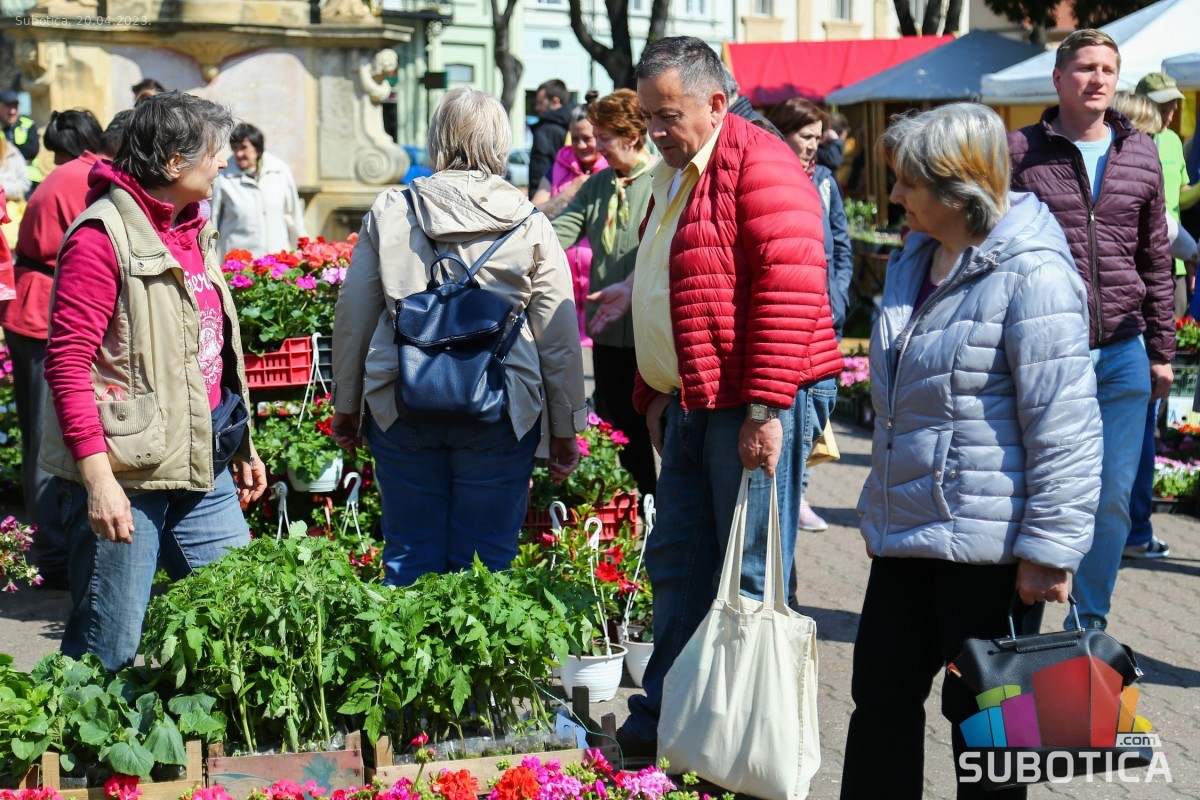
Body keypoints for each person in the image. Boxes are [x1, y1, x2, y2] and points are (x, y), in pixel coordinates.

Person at [841, 103, 1102, 800]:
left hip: (994, 554)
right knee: (880, 703)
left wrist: (1050, 550)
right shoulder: (914, 260)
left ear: (958, 190)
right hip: (908, 537)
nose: (896, 195)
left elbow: (1065, 426)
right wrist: (881, 507)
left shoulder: (1034, 275)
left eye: (908, 182)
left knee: (991, 737)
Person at [614, 36, 842, 760]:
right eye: (648, 116)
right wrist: (653, 389)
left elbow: (790, 289)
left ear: (716, 103)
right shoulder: (678, 170)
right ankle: (669, 718)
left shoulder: (762, 164)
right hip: (694, 397)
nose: (655, 130)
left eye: (667, 115)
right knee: (678, 561)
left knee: (748, 572)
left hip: (752, 400)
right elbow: (665, 283)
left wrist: (765, 410)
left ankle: (743, 740)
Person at [41, 92, 267, 672]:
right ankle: (80, 734)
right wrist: (99, 482)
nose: (224, 162)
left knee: (243, 618)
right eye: (214, 152)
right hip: (129, 472)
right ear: (172, 163)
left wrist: (241, 444)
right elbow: (68, 365)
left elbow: (208, 349)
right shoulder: (101, 236)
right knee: (108, 648)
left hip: (202, 460)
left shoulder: (193, 227)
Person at [330, 87, 587, 587]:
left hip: (400, 399)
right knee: (488, 562)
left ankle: (410, 640)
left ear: (437, 139)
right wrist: (564, 426)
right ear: (499, 142)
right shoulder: (529, 221)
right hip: (502, 403)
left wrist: (347, 403)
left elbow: (354, 316)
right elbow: (557, 334)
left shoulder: (392, 209)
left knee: (408, 555)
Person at [1009, 29, 1174, 631]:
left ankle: (1088, 628)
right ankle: (1019, 627)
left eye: (1108, 68)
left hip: (1124, 350)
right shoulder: (1019, 151)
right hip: (1047, 352)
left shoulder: (1141, 152)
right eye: (1085, 67)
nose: (1098, 78)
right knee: (1038, 490)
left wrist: (1161, 350)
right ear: (1058, 79)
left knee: (1111, 499)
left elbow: (1156, 258)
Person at [0, 109, 104, 589]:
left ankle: (47, 547)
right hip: (45, 308)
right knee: (50, 437)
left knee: (38, 436)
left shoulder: (61, 175)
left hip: (28, 306)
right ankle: (53, 554)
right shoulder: (85, 176)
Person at [550, 88, 658, 501]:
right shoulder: (597, 185)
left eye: (604, 137)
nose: (596, 146)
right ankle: (634, 509)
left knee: (660, 427)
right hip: (609, 332)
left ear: (631, 135)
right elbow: (558, 235)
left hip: (654, 332)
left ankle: (661, 511)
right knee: (620, 428)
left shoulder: (664, 179)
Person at [767, 96, 854, 535]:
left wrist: (837, 298)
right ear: (782, 133)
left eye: (818, 138)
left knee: (815, 417)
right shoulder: (766, 177)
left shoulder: (824, 181)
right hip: (786, 318)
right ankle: (783, 494)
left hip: (824, 319)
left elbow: (841, 245)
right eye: (804, 136)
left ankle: (799, 492)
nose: (812, 146)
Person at [531, 103, 609, 345]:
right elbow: (533, 214)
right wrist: (568, 193)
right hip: (562, 286)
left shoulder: (613, 170)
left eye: (588, 138)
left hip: (600, 286)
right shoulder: (556, 169)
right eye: (575, 139)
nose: (581, 145)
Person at [210, 122, 307, 259]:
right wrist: (209, 260)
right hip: (238, 262)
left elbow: (293, 216)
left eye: (243, 147)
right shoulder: (222, 176)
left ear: (257, 148)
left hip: (276, 259)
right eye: (235, 148)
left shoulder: (280, 171)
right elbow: (213, 220)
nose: (239, 153)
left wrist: (303, 252)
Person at [528, 79, 574, 199]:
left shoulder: (545, 130)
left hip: (547, 198)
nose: (537, 108)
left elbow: (538, 173)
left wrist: (535, 204)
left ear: (555, 101)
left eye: (540, 102)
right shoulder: (576, 125)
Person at [0, 89, 41, 191]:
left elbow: (32, 150)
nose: (12, 111)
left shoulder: (28, 124)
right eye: (8, 106)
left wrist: (7, 148)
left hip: (30, 178)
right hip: (4, 178)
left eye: (15, 106)